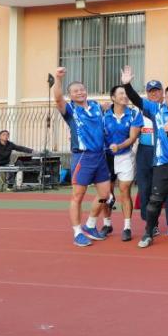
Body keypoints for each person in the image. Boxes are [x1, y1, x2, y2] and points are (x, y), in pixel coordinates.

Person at [122, 68, 168, 249]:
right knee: (155, 200)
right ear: (166, 98)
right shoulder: (156, 110)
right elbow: (137, 100)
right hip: (163, 164)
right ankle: (148, 233)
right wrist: (127, 85)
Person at [52, 67, 112, 247]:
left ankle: (91, 225)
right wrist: (58, 79)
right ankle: (77, 232)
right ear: (70, 95)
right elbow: (57, 98)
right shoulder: (70, 109)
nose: (79, 92)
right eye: (75, 91)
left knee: (105, 194)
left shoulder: (96, 106)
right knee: (78, 196)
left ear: (86, 91)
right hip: (83, 157)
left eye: (82, 89)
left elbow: (109, 108)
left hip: (100, 156)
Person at [133, 79, 168, 237]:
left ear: (162, 93)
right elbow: (133, 132)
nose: (154, 93)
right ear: (147, 94)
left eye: (157, 90)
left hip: (166, 153)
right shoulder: (141, 110)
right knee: (145, 189)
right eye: (150, 91)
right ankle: (151, 224)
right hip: (145, 152)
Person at [103, 85, 143, 241]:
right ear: (113, 97)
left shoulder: (134, 114)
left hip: (125, 156)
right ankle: (107, 223)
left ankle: (127, 227)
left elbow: (132, 138)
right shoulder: (103, 115)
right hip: (106, 157)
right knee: (106, 193)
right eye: (121, 93)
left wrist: (118, 146)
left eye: (126, 93)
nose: (125, 96)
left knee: (124, 190)